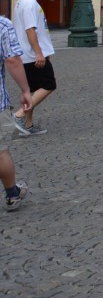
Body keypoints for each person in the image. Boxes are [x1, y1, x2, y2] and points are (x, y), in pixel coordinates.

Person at [11, 0, 53, 136]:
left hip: (27, 54)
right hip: (31, 55)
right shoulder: (29, 4)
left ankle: (28, 126)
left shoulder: (21, 1)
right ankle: (19, 116)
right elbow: (30, 30)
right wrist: (39, 53)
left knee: (34, 89)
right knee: (49, 84)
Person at [1, 15, 32, 210]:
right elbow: (12, 60)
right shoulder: (2, 25)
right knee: (0, 151)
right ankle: (12, 194)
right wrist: (25, 90)